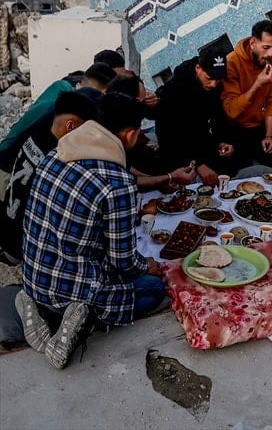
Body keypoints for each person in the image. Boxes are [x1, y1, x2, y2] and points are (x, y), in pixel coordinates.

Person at [17, 93, 166, 369]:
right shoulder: (117, 181)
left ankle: (35, 303)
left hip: (33, 274)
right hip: (70, 289)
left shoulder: (56, 153)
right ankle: (78, 317)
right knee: (154, 289)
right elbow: (123, 262)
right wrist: (148, 265)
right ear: (131, 135)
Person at [0, 92, 100, 265]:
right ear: (71, 126)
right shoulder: (55, 158)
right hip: (21, 247)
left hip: (6, 225)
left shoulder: (36, 136)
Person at [154, 45, 237, 184]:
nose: (213, 84)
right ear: (198, 68)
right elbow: (167, 137)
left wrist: (222, 141)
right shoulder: (173, 91)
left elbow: (217, 118)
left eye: (218, 79)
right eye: (209, 78)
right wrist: (197, 164)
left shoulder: (215, 86)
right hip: (179, 156)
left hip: (204, 148)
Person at [221, 20, 272, 169]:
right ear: (253, 43)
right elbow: (231, 110)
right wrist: (257, 84)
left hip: (260, 125)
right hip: (236, 128)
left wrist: (269, 135)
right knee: (237, 169)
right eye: (266, 47)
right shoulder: (231, 63)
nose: (270, 54)